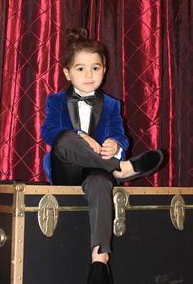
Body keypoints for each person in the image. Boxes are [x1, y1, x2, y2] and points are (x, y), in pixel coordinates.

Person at [41, 28, 163, 284]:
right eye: (80, 69)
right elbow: (49, 133)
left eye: (95, 68)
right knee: (64, 139)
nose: (88, 75)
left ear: (104, 70)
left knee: (100, 182)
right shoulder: (55, 101)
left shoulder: (111, 105)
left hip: (95, 171)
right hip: (66, 169)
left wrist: (114, 144)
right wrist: (78, 136)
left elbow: (121, 136)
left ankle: (99, 262)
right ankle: (121, 168)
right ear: (67, 72)